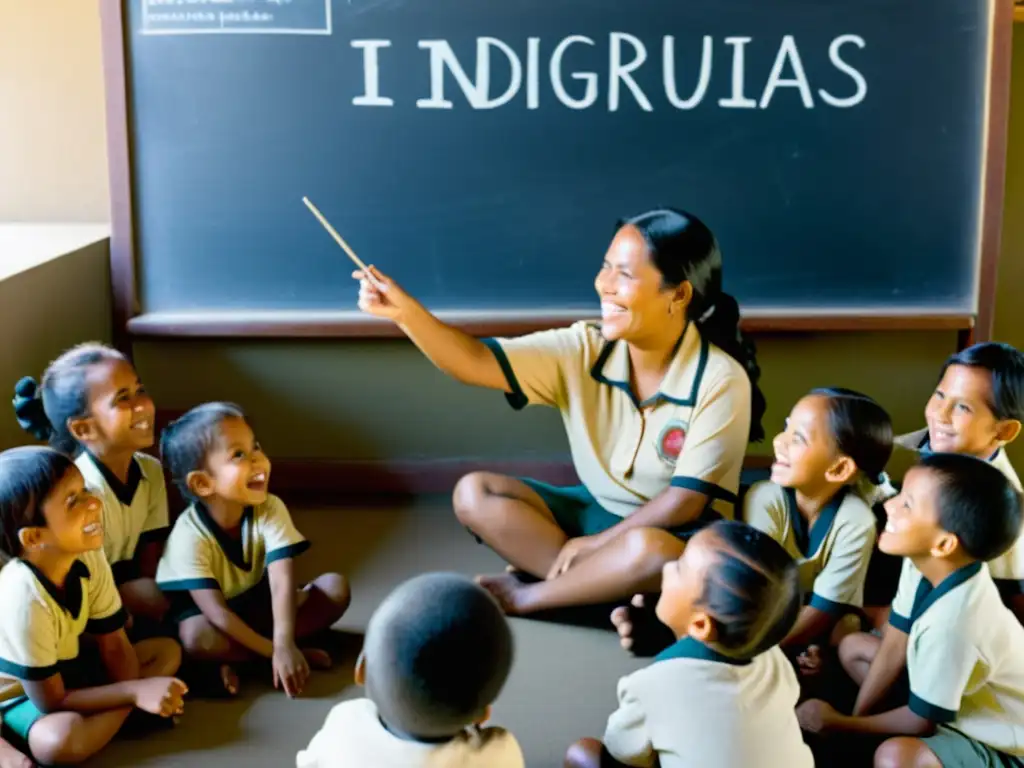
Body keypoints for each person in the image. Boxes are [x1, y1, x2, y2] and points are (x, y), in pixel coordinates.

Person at [353, 207, 766, 614]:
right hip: (590, 512)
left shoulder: (720, 378)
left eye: (624, 274)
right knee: (475, 492)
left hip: (671, 532)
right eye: (605, 268)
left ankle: (532, 596)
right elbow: (476, 362)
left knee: (651, 552)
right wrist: (404, 313)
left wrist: (594, 546)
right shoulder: (584, 346)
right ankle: (599, 590)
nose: (604, 285)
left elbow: (684, 503)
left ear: (678, 293)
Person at [799, 453, 1024, 768]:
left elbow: (922, 722)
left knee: (894, 757)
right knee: (854, 647)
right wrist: (848, 725)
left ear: (944, 544)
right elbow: (893, 647)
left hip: (999, 740)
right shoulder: (924, 563)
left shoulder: (955, 624)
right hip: (955, 703)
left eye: (907, 504)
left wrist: (836, 723)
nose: (889, 505)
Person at [564, 520, 813, 768]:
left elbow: (625, 751)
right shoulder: (774, 659)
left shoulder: (651, 686)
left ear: (701, 625)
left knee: (583, 754)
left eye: (681, 568)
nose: (669, 567)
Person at [0, 447, 185, 765]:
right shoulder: (21, 594)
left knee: (166, 652)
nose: (95, 503)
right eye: (74, 501)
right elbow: (52, 701)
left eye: (85, 489)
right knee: (61, 742)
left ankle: (118, 716)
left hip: (70, 667)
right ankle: (131, 715)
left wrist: (131, 686)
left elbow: (113, 642)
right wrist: (134, 694)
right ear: (33, 537)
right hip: (22, 693)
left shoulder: (86, 552)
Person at [156, 402, 350, 698]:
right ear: (203, 483)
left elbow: (282, 582)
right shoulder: (189, 535)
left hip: (257, 602)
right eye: (239, 454)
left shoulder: (270, 507)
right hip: (214, 618)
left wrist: (285, 643)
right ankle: (271, 660)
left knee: (335, 588)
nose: (258, 460)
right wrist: (278, 650)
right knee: (196, 639)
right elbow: (218, 613)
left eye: (255, 447)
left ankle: (262, 658)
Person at [12, 343, 171, 629]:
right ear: (83, 429)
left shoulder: (150, 470)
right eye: (123, 398)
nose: (142, 405)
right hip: (87, 598)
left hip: (129, 588)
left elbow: (150, 556)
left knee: (164, 595)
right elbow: (77, 577)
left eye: (140, 390)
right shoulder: (79, 490)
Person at [866, 342, 1024, 625]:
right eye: (939, 395)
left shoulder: (1001, 506)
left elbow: (1006, 601)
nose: (940, 414)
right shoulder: (947, 454)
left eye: (962, 407)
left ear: (1004, 430)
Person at [296, 572, 524, 767]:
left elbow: (309, 762)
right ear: (482, 715)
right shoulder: (500, 754)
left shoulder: (344, 723)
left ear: (362, 671)